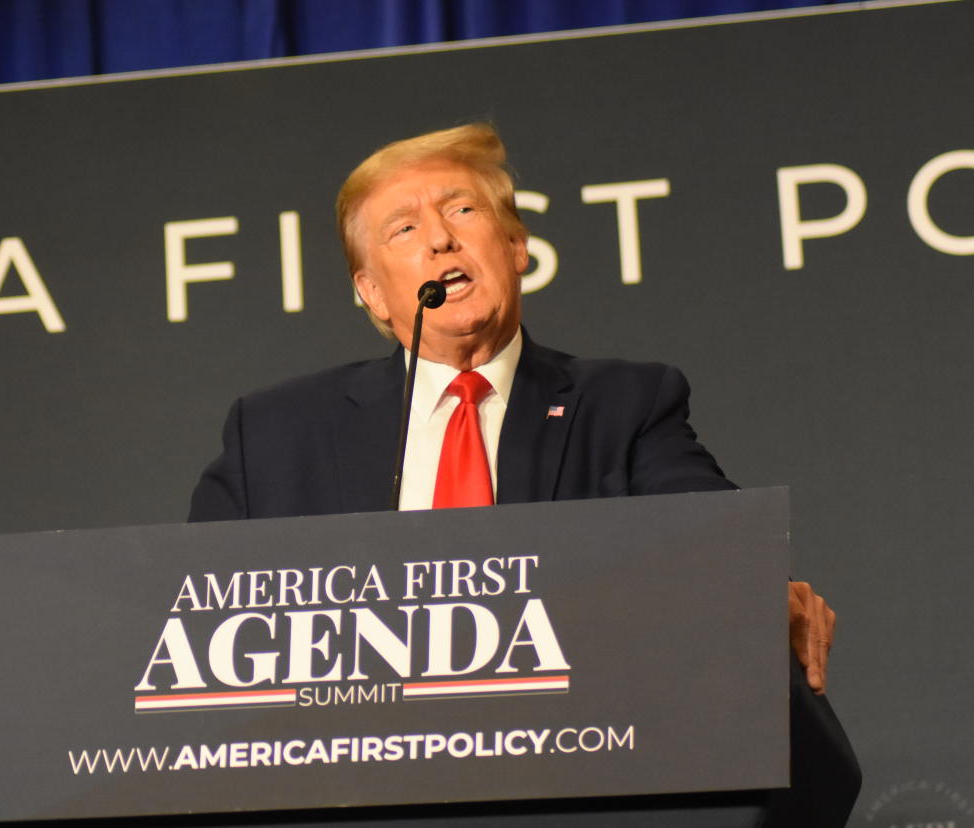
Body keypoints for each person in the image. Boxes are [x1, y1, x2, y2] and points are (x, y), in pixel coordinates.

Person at [189, 123, 858, 823]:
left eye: (463, 211)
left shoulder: (623, 403)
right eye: (403, 229)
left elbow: (702, 527)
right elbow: (194, 611)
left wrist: (752, 585)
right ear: (373, 294)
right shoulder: (276, 432)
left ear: (516, 248)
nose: (440, 239)